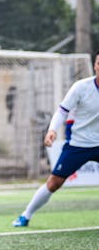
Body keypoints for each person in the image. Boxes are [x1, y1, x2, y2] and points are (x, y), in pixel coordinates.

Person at [12, 50, 99, 227]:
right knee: (54, 183)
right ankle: (25, 215)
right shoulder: (81, 87)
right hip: (78, 144)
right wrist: (52, 130)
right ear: (95, 66)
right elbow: (62, 111)